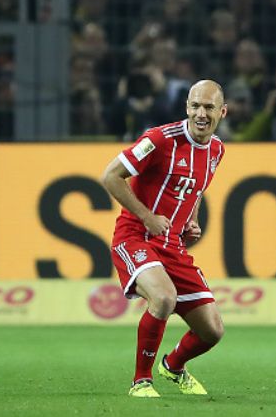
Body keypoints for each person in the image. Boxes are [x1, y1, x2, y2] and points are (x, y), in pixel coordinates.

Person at [101, 80, 227, 397]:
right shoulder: (158, 139)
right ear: (186, 107)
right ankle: (141, 381)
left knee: (212, 331)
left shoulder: (216, 150)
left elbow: (196, 188)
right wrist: (146, 216)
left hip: (172, 245)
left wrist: (192, 220)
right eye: (195, 106)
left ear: (222, 112)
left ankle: (173, 366)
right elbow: (110, 176)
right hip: (135, 236)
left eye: (209, 107)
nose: (201, 113)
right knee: (164, 297)